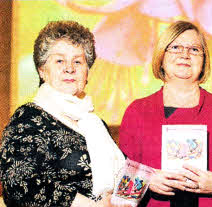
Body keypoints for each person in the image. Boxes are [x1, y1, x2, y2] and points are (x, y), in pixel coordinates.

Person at [119, 21, 212, 207]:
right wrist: (146, 180)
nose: (185, 54)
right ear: (161, 56)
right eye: (175, 47)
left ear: (204, 60)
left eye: (194, 49)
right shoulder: (137, 112)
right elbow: (122, 191)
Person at [0, 21, 129, 207]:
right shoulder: (27, 118)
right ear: (42, 71)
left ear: (87, 73)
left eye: (78, 61)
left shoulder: (95, 123)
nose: (70, 68)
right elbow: (18, 185)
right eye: (59, 60)